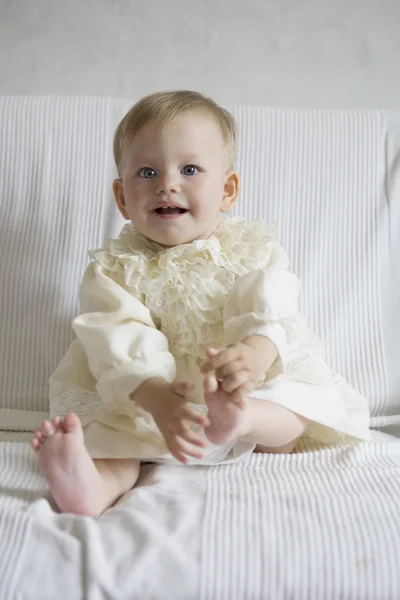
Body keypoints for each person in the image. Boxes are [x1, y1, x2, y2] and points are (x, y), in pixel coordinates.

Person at [31, 90, 372, 517]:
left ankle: (239, 420)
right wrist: (153, 393)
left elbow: (275, 310)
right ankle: (89, 487)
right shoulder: (117, 268)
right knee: (116, 439)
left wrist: (253, 354)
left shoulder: (251, 249)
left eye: (189, 169)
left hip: (241, 382)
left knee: (291, 417)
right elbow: (114, 331)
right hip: (148, 396)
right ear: (122, 199)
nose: (166, 184)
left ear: (228, 190)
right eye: (147, 171)